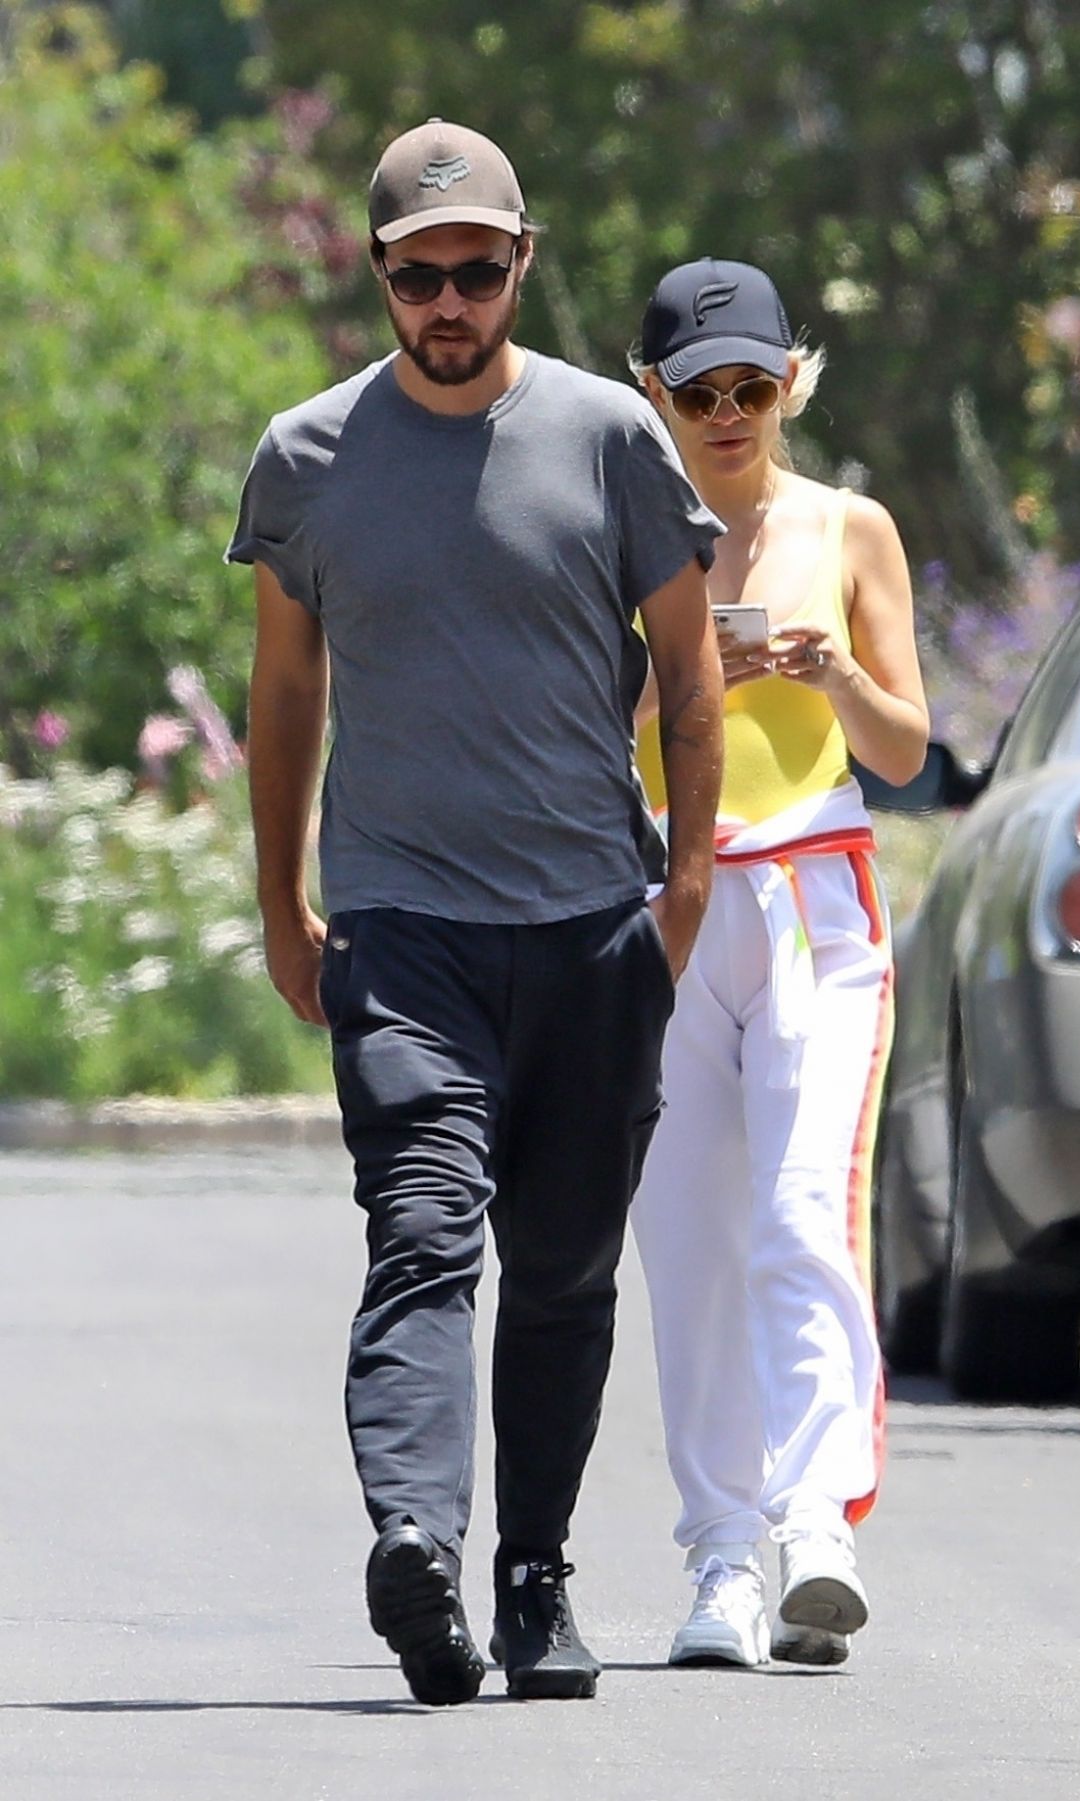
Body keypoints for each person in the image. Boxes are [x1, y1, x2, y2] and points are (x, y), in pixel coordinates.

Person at [226, 122, 724, 1706]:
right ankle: (419, 1543)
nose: (449, 302)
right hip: (403, 929)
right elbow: (286, 691)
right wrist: (283, 901)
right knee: (424, 1232)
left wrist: (686, 889)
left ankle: (534, 1574)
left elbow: (691, 673)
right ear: (379, 275)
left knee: (565, 1268)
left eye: (478, 271)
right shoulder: (309, 457)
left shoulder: (613, 437)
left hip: (590, 925)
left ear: (522, 262)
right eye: (418, 276)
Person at [629, 258, 929, 1670]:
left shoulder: (849, 529)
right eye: (700, 392)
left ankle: (817, 1523)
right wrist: (686, 676)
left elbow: (906, 747)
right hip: (671, 898)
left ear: (792, 383)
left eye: (752, 386)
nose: (728, 414)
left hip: (816, 895)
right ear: (655, 397)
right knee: (687, 1240)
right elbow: (577, 727)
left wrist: (828, 673)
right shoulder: (625, 530)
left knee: (805, 1207)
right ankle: (720, 1556)